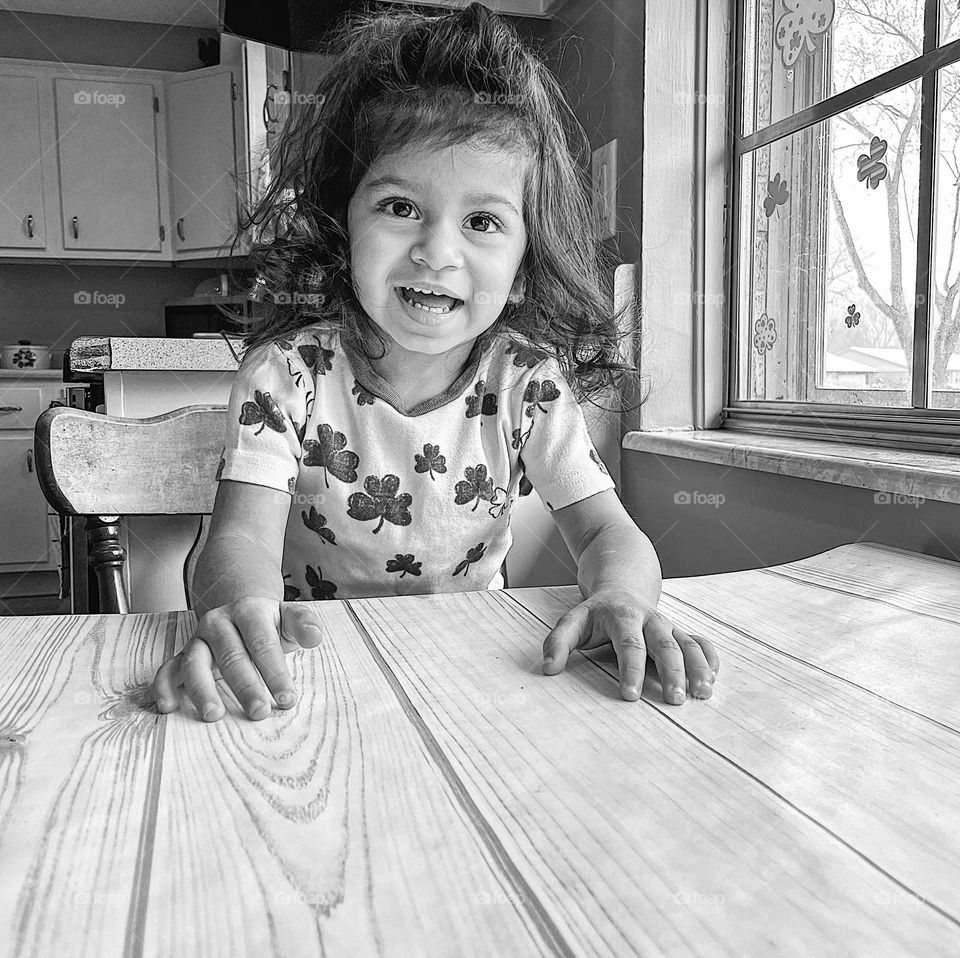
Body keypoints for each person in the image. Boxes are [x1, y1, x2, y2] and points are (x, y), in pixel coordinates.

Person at [148, 2, 719, 722]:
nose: (437, 252)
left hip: (476, 683)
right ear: (342, 225)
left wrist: (622, 597)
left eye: (482, 221)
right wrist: (237, 609)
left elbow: (607, 531)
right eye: (399, 207)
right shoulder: (285, 377)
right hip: (310, 678)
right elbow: (238, 538)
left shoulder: (528, 386)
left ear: (523, 264)